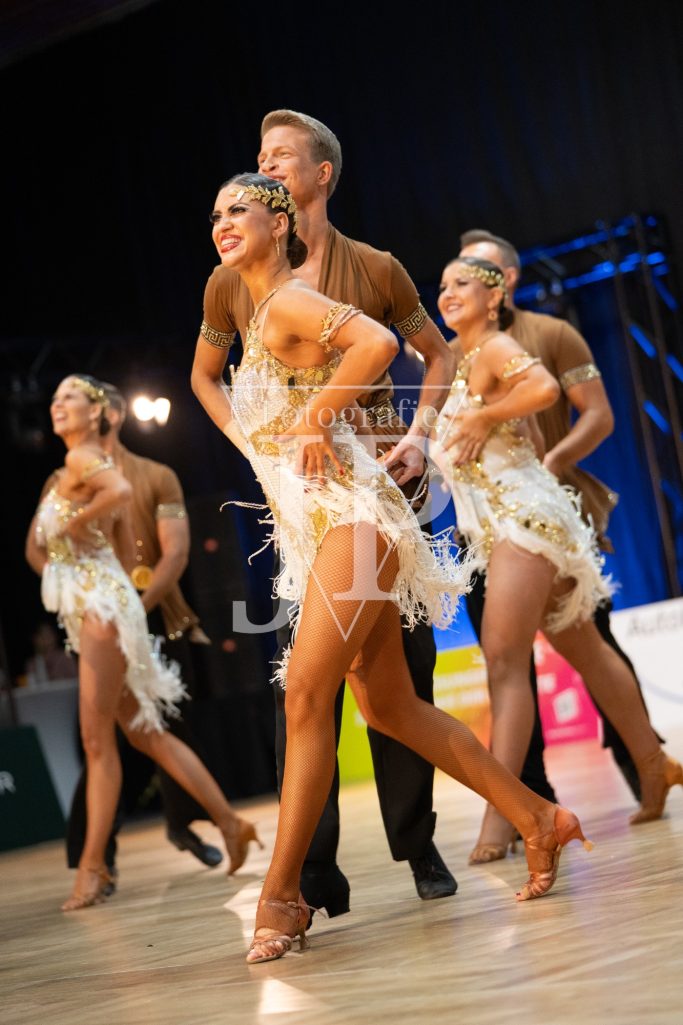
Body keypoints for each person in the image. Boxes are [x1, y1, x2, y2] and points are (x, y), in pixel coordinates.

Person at [195, 172, 597, 964]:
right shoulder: (250, 307)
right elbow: (202, 379)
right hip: (315, 523)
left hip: (354, 514)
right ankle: (538, 817)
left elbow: (379, 345)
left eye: (238, 209)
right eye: (214, 215)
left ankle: (281, 894)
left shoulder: (288, 301)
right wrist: (253, 445)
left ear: (281, 222)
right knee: (388, 706)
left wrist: (315, 417)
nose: (221, 223)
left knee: (305, 692)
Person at [192, 110, 459, 911]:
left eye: (282, 155)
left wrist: (417, 435)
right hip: (301, 502)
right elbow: (204, 375)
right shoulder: (232, 277)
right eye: (260, 155)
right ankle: (311, 870)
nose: (266, 162)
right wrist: (251, 446)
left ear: (320, 176)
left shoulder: (374, 267)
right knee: (303, 681)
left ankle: (417, 844)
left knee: (398, 677)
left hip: (372, 484)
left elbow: (435, 353)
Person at [432, 255, 682, 863]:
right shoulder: (457, 358)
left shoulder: (495, 346)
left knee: (505, 662)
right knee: (585, 649)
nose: (447, 293)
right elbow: (534, 437)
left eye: (462, 283)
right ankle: (654, 763)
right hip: (510, 519)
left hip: (523, 522)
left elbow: (544, 390)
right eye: (441, 285)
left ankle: (504, 819)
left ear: (495, 297)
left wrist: (487, 416)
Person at [25, 374, 262, 911]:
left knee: (98, 743)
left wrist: (77, 532)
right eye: (54, 398)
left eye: (70, 397)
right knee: (145, 733)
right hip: (93, 608)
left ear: (100, 412)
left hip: (111, 612)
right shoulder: (63, 473)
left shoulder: (102, 464)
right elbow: (38, 549)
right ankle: (230, 822)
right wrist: (67, 577)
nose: (57, 404)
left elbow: (130, 504)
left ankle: (92, 866)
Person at [63, 381, 226, 881]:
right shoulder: (66, 475)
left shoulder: (156, 475)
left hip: (152, 609)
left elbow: (175, 552)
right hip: (98, 617)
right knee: (105, 734)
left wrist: (136, 607)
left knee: (164, 723)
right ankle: (94, 853)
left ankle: (183, 824)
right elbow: (46, 544)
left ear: (110, 415)